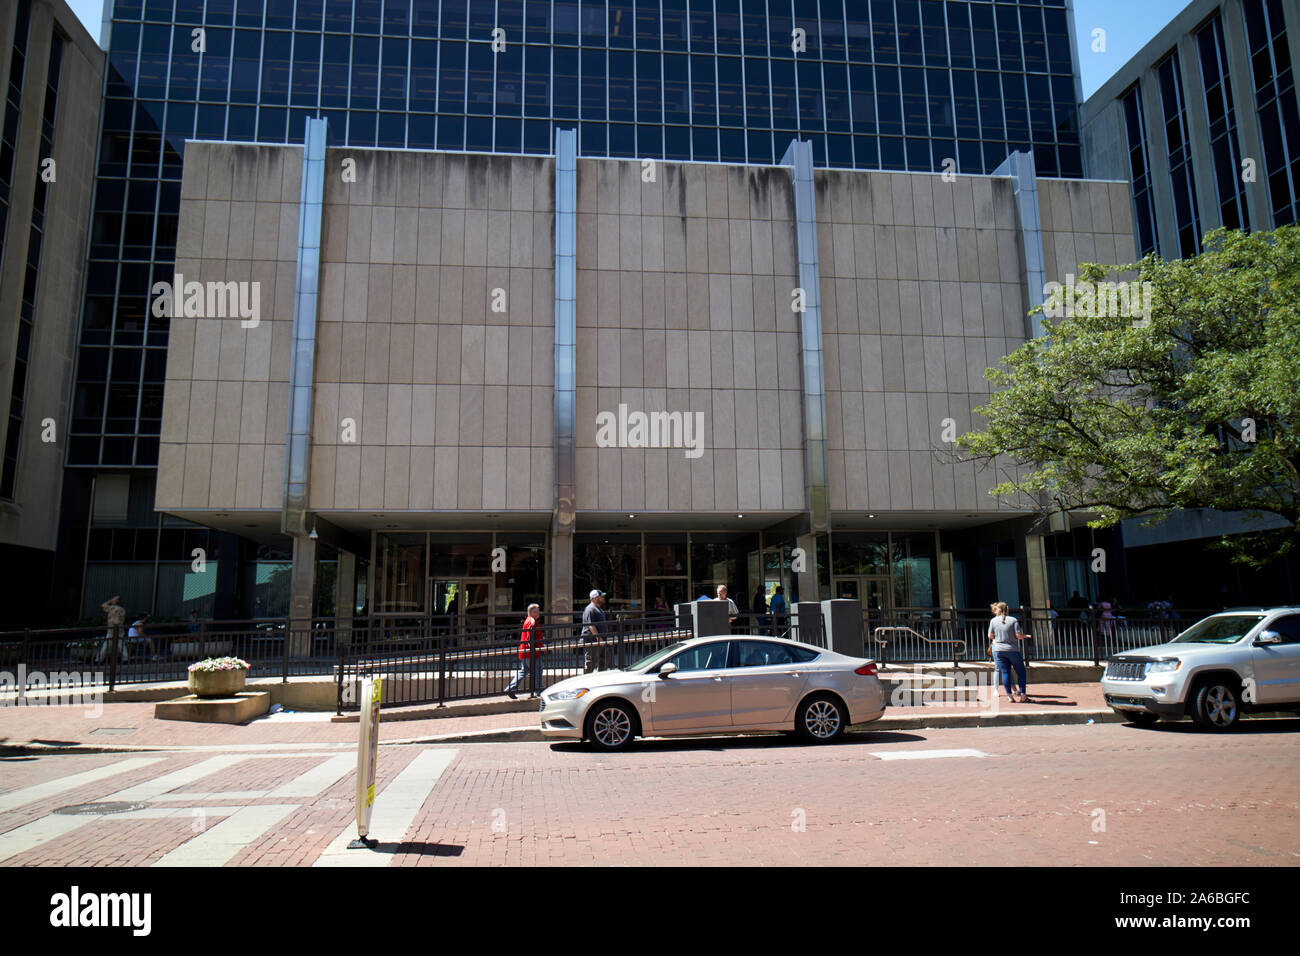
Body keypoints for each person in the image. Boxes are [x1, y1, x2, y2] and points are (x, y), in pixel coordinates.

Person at [988, 601, 1030, 703]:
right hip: (1012, 650)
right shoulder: (1013, 620)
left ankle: (1010, 696)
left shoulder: (993, 621)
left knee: (1005, 672)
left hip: (998, 650)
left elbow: (990, 636)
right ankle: (1023, 695)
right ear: (1007, 610)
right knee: (1021, 672)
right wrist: (1025, 636)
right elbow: (1019, 636)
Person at [506, 603, 544, 699]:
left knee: (525, 670)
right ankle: (537, 690)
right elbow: (529, 638)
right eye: (537, 611)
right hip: (531, 652)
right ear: (533, 612)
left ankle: (511, 688)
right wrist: (533, 650)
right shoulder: (531, 621)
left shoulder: (529, 621)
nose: (539, 613)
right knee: (537, 670)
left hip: (525, 652)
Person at [581, 590, 607, 673]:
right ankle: (586, 682)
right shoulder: (590, 609)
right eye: (601, 596)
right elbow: (591, 625)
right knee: (590, 663)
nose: (603, 598)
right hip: (592, 640)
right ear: (595, 598)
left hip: (599, 640)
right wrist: (599, 638)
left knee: (602, 662)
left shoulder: (598, 609)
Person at [97, 596, 128, 663]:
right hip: (119, 629)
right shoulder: (122, 609)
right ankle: (125, 658)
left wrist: (110, 601)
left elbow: (103, 605)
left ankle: (99, 659)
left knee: (107, 644)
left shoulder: (112, 608)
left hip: (112, 629)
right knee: (121, 644)